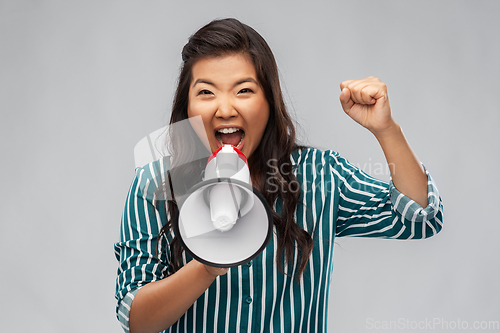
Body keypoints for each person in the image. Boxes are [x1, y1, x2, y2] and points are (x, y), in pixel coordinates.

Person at [114, 18, 443, 333]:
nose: (225, 109)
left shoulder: (318, 175)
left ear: (270, 102)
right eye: (206, 92)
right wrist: (207, 266)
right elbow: (137, 321)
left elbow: (421, 219)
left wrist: (386, 130)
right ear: (186, 107)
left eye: (243, 90)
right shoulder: (157, 184)